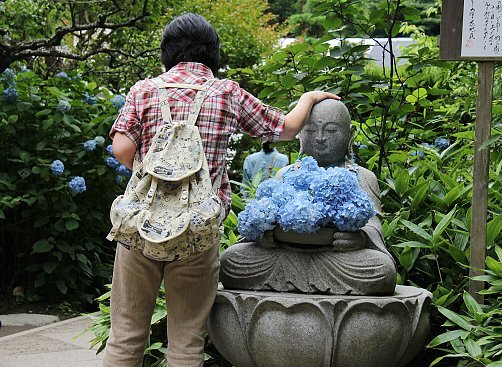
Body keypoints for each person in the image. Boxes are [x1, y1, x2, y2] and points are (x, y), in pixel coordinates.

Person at [104, 13, 339, 367]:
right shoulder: (226, 93)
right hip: (197, 230)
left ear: (168, 53)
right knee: (186, 342)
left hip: (141, 228)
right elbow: (286, 129)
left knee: (125, 338)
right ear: (212, 53)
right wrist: (309, 96)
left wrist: (158, 173)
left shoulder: (144, 90)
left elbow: (121, 149)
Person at [220, 99, 397, 296]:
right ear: (300, 136)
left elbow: (374, 226)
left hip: (336, 257)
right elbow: (268, 215)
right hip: (287, 253)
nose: (320, 138)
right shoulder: (285, 173)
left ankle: (295, 279)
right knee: (230, 260)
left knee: (382, 270)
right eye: (311, 131)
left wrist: (361, 238)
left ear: (350, 135)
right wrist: (265, 234)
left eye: (331, 131)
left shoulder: (362, 176)